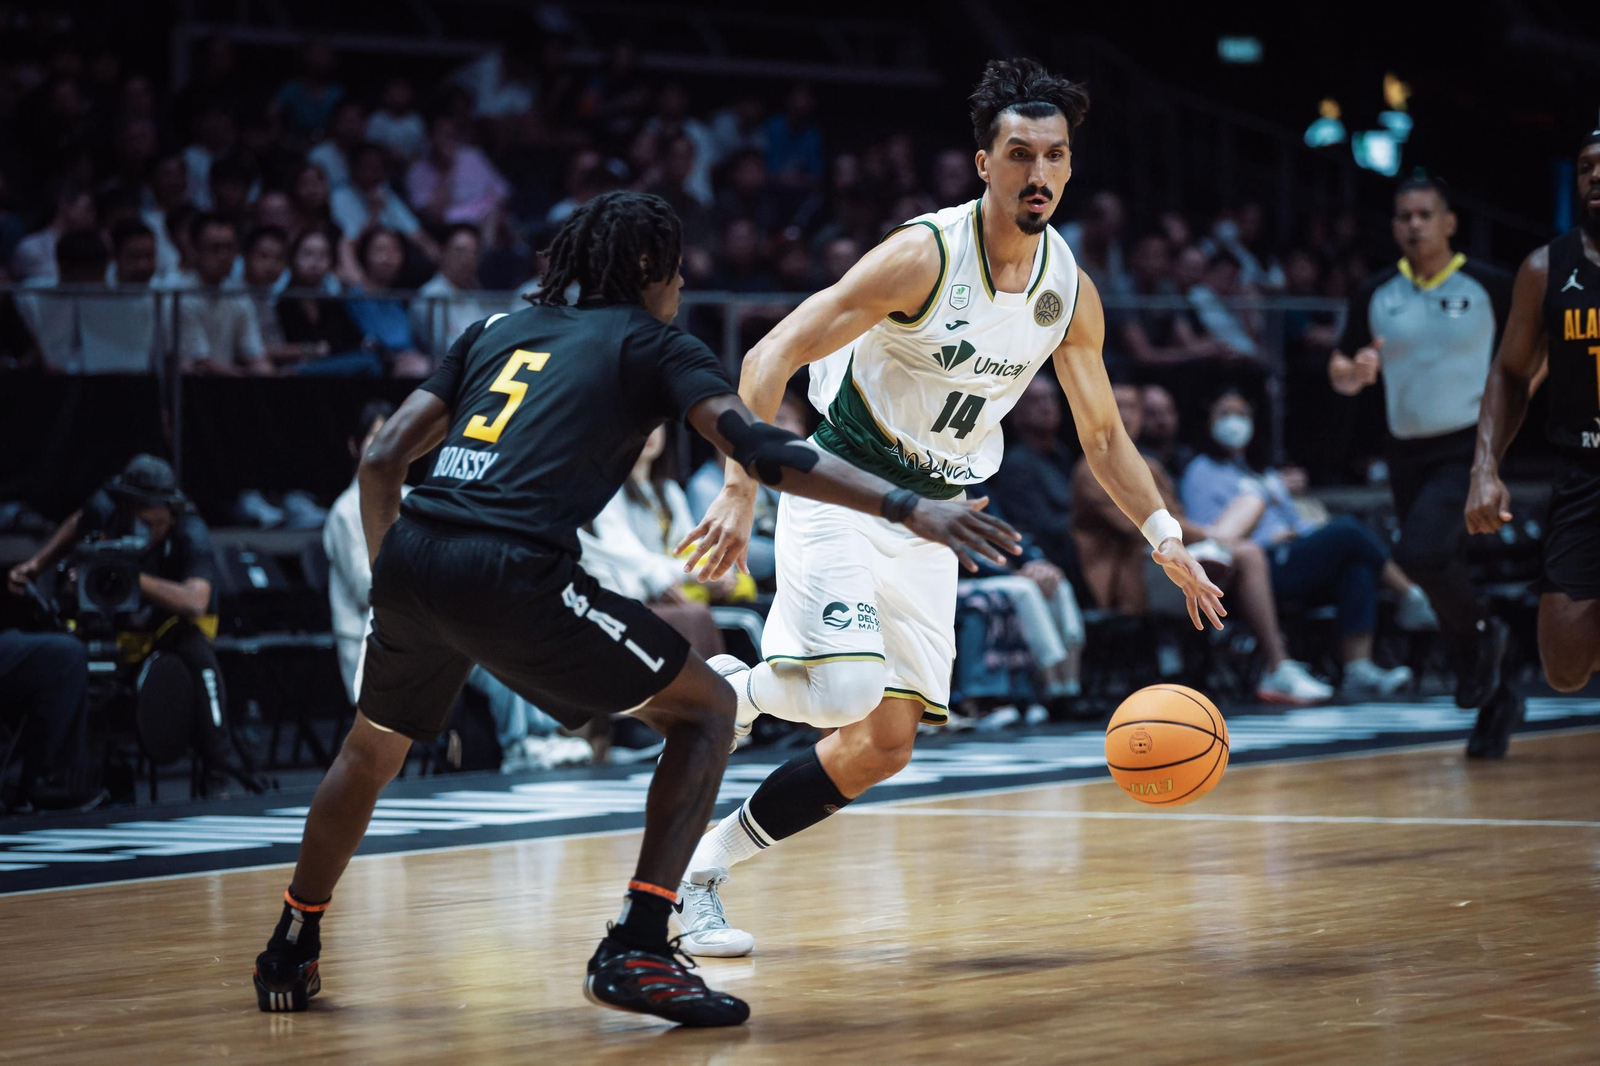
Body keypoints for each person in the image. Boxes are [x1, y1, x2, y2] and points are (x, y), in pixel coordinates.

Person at [249, 190, 1021, 1026]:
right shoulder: (652, 344)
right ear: (649, 268)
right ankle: (640, 944)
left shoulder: (494, 330)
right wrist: (907, 507)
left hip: (414, 557)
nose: (683, 287)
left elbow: (381, 459)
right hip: (514, 568)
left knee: (368, 753)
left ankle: (292, 941)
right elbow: (762, 447)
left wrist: (391, 586)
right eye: (678, 271)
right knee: (708, 710)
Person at [675, 58, 1223, 958]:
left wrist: (1164, 537)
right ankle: (723, 693)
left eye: (1054, 156)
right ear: (984, 164)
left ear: (1071, 166)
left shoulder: (1066, 288)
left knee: (884, 744)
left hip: (935, 514)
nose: (1038, 172)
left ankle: (700, 869)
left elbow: (1103, 434)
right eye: (1020, 154)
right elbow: (768, 356)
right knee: (844, 689)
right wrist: (740, 489)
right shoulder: (924, 255)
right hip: (842, 483)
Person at [1330, 173, 1520, 756]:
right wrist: (1353, 373)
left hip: (1468, 448)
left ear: (1449, 222)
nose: (1414, 225)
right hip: (1405, 451)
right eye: (1404, 216)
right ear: (1394, 226)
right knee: (1438, 569)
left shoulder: (1491, 285)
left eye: (1425, 214)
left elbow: (1526, 360)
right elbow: (1340, 368)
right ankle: (1497, 695)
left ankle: (1484, 635)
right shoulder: (1376, 292)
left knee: (1419, 554)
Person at [6, 455, 262, 791]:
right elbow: (79, 521)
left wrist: (131, 577)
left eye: (152, 520)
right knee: (61, 656)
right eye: (137, 514)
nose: (143, 527)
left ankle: (219, 770)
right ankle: (58, 780)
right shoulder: (106, 507)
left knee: (197, 654)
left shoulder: (189, 531)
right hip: (112, 622)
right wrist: (37, 564)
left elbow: (195, 601)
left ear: (169, 510)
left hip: (167, 624)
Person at [1467, 129, 1600, 700]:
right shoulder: (1546, 268)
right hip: (1583, 470)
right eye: (1585, 167)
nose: (1596, 175)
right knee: (1564, 668)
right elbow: (1511, 373)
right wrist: (1485, 469)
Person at [1182, 389, 1421, 697]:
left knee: (1356, 565)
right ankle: (1411, 595)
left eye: (1241, 414)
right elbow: (1214, 539)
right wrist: (1270, 533)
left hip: (1293, 553)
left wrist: (1304, 532)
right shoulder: (1202, 471)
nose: (1234, 422)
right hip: (1256, 562)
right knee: (1348, 530)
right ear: (1208, 422)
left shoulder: (1261, 470)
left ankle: (1358, 668)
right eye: (1224, 414)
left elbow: (1296, 521)